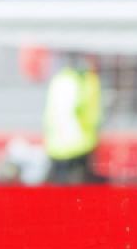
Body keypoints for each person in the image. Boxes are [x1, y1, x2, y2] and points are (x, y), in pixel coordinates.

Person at [44, 53, 104, 183]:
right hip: (78, 146)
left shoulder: (60, 79)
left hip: (57, 146)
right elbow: (76, 112)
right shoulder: (82, 81)